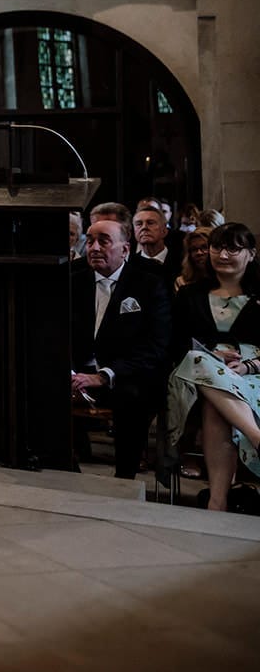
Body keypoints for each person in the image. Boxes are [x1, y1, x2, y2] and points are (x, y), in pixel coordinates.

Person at [164, 223, 260, 510]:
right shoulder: (189, 295)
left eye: (234, 248)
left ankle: (217, 502)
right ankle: (257, 437)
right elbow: (175, 344)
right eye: (218, 247)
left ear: (251, 254)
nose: (223, 254)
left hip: (252, 376)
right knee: (198, 360)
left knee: (214, 407)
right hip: (193, 377)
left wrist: (248, 366)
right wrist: (213, 358)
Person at [69, 217, 172, 478]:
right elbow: (54, 334)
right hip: (77, 374)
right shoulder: (72, 280)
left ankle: (125, 476)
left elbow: (155, 346)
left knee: (134, 396)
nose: (93, 248)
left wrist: (105, 375)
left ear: (125, 249)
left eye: (104, 241)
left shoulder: (148, 284)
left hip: (125, 375)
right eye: (90, 241)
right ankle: (63, 466)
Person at [133, 200, 182, 277]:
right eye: (139, 224)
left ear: (164, 231)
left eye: (150, 223)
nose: (144, 227)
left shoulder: (181, 261)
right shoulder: (129, 265)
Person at [177, 226, 214, 291]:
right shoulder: (182, 282)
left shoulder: (227, 281)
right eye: (194, 249)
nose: (199, 253)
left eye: (204, 247)